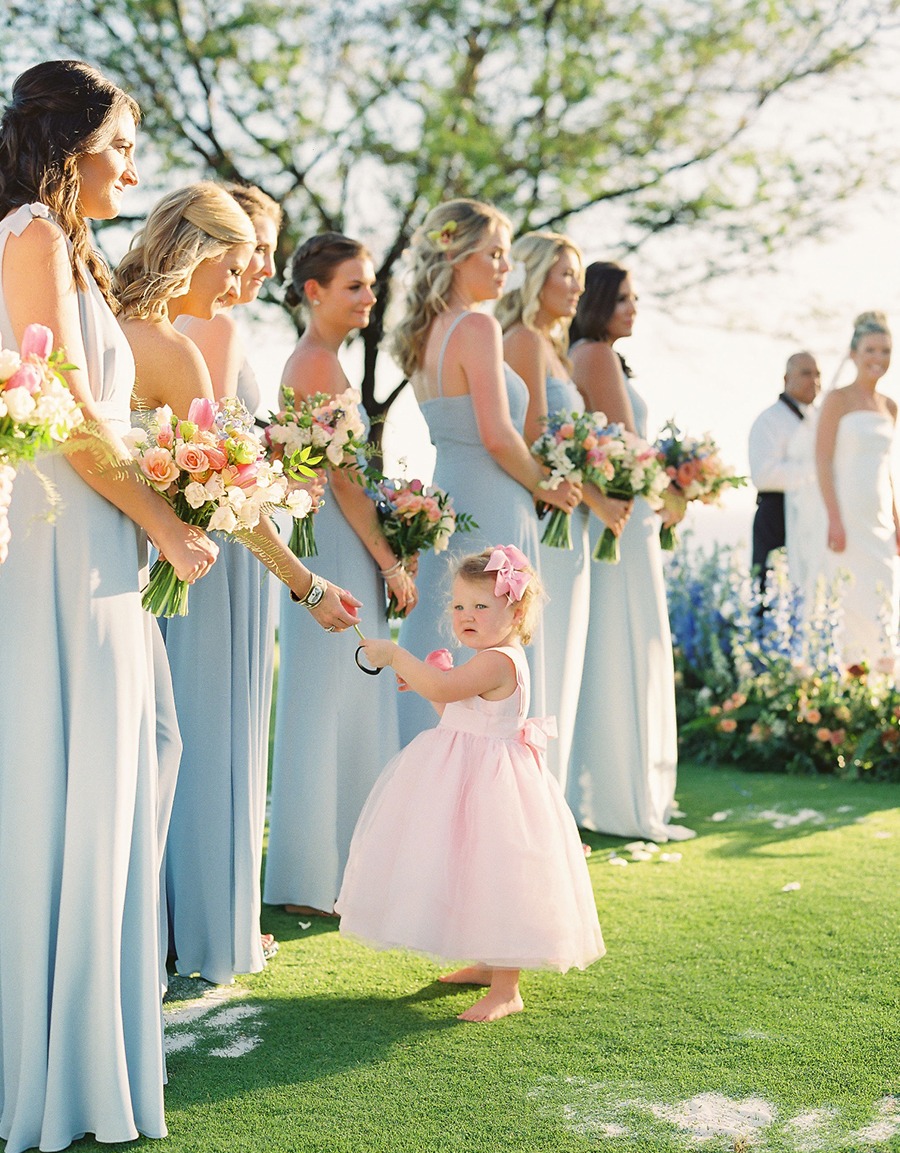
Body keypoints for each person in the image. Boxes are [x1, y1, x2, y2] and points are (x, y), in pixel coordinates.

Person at [0, 60, 219, 1153]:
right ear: (68, 143)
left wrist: (172, 493)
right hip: (62, 545)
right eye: (121, 143)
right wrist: (169, 523)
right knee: (74, 783)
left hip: (104, 544)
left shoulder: (71, 252)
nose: (132, 166)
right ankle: (59, 1069)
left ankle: (95, 1047)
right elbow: (68, 423)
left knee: (130, 768)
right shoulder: (32, 239)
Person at [114, 186, 360, 983]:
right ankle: (207, 928)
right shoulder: (196, 333)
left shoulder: (120, 324)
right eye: (246, 250)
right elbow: (211, 465)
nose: (257, 268)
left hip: (158, 547)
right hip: (204, 553)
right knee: (192, 736)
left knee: (165, 741)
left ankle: (170, 931)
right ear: (206, 251)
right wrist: (306, 581)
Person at [337, 546, 605, 1022]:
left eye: (481, 606)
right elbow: (452, 709)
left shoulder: (499, 659)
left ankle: (507, 988)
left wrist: (399, 658)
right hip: (469, 776)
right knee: (472, 869)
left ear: (515, 610)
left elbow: (442, 691)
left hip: (493, 786)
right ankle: (488, 962)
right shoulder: (483, 658)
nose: (466, 616)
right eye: (459, 606)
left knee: (499, 874)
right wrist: (428, 679)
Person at [391, 199, 582, 744]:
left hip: (449, 491)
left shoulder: (426, 332)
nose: (506, 267)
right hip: (495, 495)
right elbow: (498, 434)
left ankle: (427, 767)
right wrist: (550, 487)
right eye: (494, 253)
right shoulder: (477, 325)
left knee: (447, 626)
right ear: (455, 253)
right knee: (496, 632)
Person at [264, 232, 414, 917]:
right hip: (332, 542)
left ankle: (325, 872)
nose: (369, 296)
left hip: (327, 534)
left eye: (370, 285)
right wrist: (390, 562)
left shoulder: (321, 361)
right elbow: (348, 484)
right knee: (331, 701)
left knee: (335, 702)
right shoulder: (318, 365)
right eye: (354, 285)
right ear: (315, 291)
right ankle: (312, 879)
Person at [497, 231, 631, 789]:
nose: (577, 287)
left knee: (564, 665)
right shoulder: (524, 340)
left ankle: (552, 800)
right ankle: (531, 798)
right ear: (535, 278)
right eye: (565, 274)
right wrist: (597, 500)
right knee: (546, 665)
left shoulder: (551, 346)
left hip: (568, 522)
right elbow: (533, 437)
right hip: (548, 518)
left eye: (578, 275)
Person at [566, 261, 692, 842]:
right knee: (626, 644)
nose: (632, 307)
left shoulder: (593, 353)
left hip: (621, 513)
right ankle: (622, 796)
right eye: (621, 298)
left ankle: (618, 787)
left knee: (619, 645)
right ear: (596, 303)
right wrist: (678, 490)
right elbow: (629, 443)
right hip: (621, 518)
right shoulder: (595, 353)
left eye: (634, 297)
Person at [815, 311, 900, 669]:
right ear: (854, 353)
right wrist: (835, 519)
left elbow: (886, 468)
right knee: (850, 600)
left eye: (885, 351)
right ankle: (852, 687)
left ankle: (883, 695)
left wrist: (897, 519)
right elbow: (822, 459)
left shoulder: (890, 406)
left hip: (879, 520)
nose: (878, 359)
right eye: (871, 350)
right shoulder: (837, 399)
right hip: (847, 516)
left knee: (884, 598)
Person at [748, 352, 821, 585]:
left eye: (818, 374)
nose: (815, 381)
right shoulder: (768, 420)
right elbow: (764, 475)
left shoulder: (821, 419)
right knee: (771, 592)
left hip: (815, 520)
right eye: (806, 373)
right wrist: (818, 472)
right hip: (777, 517)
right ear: (786, 378)